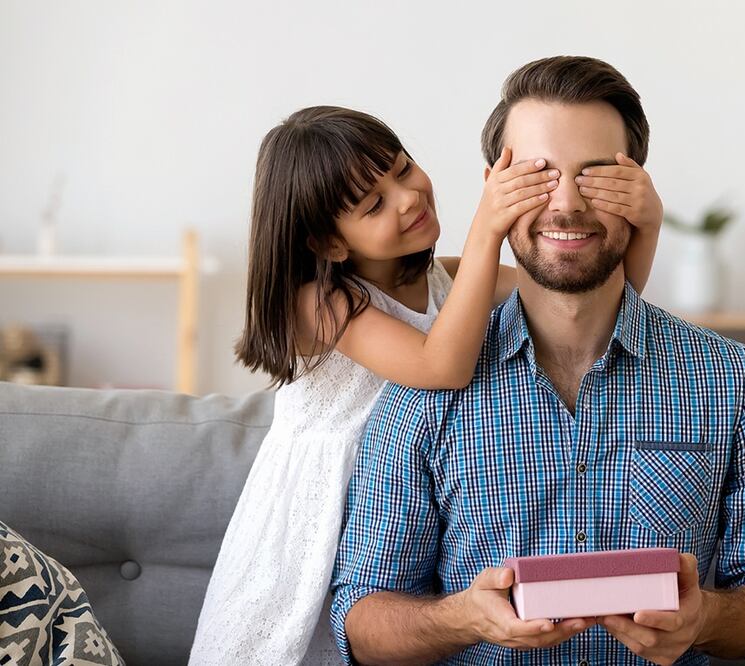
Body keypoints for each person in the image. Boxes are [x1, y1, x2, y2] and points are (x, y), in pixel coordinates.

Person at [331, 56, 745, 665]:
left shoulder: (732, 380)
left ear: (636, 188)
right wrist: (462, 618)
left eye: (596, 177)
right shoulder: (423, 388)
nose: (565, 203)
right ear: (494, 193)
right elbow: (361, 624)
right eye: (537, 175)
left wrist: (707, 616)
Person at [188, 106, 661, 664]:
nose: (409, 197)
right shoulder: (318, 302)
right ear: (331, 244)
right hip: (322, 515)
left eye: (403, 169)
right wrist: (487, 229)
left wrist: (647, 221)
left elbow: (587, 298)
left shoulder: (447, 279)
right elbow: (442, 368)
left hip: (401, 496)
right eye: (374, 203)